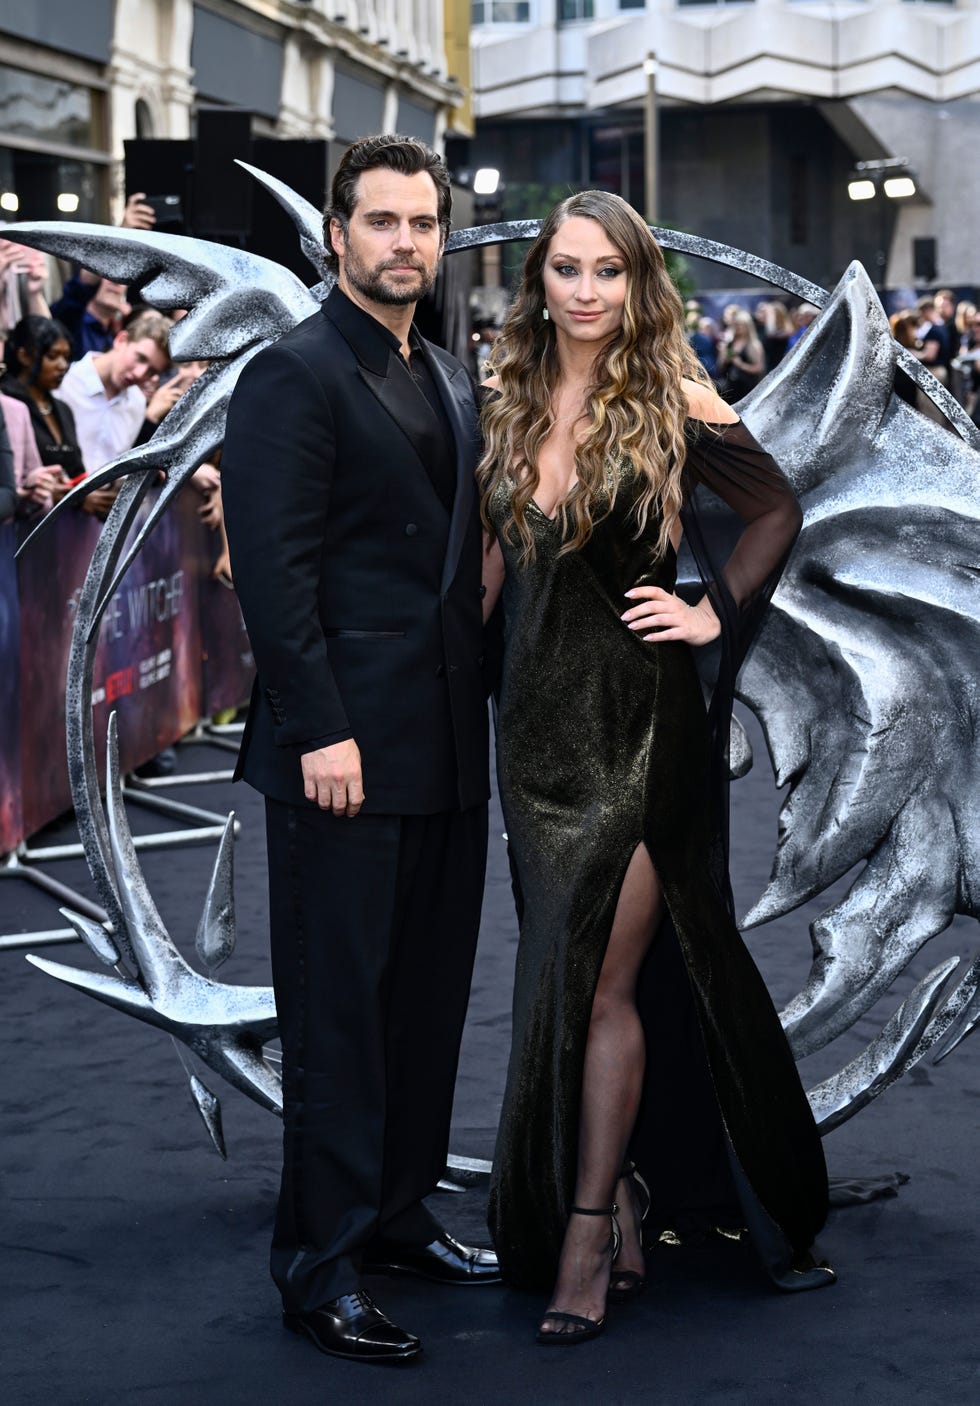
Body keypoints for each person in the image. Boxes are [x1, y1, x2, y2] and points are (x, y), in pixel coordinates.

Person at [478, 190, 833, 1346]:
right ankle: (621, 1188)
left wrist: (709, 612)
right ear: (540, 280)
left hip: (638, 727)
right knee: (555, 974)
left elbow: (773, 506)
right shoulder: (510, 397)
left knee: (604, 984)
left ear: (638, 285)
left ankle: (584, 1226)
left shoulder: (674, 395)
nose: (583, 292)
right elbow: (487, 573)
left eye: (606, 272)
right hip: (531, 737)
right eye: (565, 270)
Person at [221, 134, 498, 1367]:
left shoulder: (445, 370)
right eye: (380, 221)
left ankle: (394, 1212)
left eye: (422, 223)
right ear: (336, 234)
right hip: (341, 748)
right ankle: (318, 1261)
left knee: (425, 1002)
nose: (403, 242)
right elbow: (274, 580)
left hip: (442, 740)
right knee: (338, 1015)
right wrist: (321, 724)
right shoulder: (292, 373)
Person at [0, 316, 114, 517]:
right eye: (53, 356)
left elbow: (76, 470)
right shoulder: (9, 406)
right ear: (24, 356)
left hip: (66, 526)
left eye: (66, 357)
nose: (62, 366)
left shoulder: (62, 408)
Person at [55, 308, 171, 472]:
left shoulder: (137, 402)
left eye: (152, 371)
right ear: (121, 340)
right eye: (140, 358)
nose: (139, 373)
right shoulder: (66, 382)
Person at [715, 307, 765, 399]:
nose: (739, 327)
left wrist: (740, 364)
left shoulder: (754, 345)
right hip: (729, 388)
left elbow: (759, 368)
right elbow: (720, 366)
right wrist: (725, 358)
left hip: (747, 388)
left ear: (748, 326)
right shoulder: (729, 344)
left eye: (742, 325)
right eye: (736, 325)